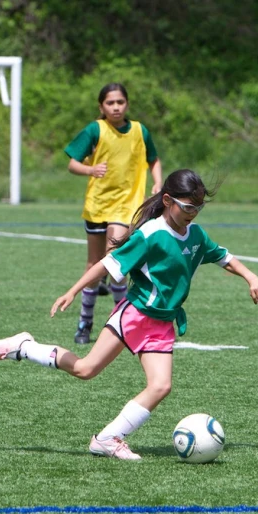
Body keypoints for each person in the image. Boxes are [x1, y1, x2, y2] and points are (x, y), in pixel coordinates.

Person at [0, 169, 258, 460]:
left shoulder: (195, 235)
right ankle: (25, 347)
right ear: (168, 200)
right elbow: (106, 265)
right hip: (135, 315)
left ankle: (108, 438)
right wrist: (73, 290)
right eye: (188, 207)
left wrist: (251, 277)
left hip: (163, 322)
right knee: (85, 369)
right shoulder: (150, 234)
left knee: (160, 386)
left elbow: (223, 257)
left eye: (198, 207)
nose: (193, 213)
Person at [64, 83, 163, 344]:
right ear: (101, 107)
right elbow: (72, 163)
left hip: (127, 205)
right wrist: (90, 170)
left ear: (127, 104)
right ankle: (85, 323)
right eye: (110, 103)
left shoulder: (140, 130)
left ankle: (122, 320)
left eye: (120, 102)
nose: (116, 107)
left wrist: (157, 182)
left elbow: (154, 159)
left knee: (115, 260)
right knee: (94, 264)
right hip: (98, 205)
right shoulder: (95, 129)